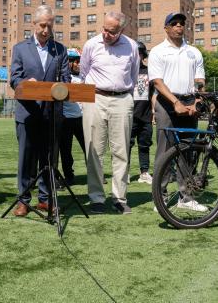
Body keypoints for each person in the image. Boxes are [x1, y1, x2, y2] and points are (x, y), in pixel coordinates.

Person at [9, 5, 70, 217]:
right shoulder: (20, 49)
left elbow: (66, 80)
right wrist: (27, 83)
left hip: (52, 114)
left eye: (50, 26)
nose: (46, 30)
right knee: (26, 159)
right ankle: (24, 200)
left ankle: (45, 200)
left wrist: (58, 88)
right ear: (34, 24)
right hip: (27, 113)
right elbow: (14, 79)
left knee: (49, 159)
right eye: (42, 25)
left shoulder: (60, 50)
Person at [80, 11, 139, 215]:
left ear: (121, 30)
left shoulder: (131, 46)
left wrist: (126, 96)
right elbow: (84, 72)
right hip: (95, 98)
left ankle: (119, 198)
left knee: (121, 151)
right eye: (104, 29)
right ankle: (96, 198)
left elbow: (133, 74)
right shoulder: (90, 45)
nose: (106, 34)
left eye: (111, 32)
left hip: (122, 99)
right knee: (94, 151)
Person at [148, 12, 206, 212]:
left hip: (189, 102)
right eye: (174, 23)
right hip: (166, 102)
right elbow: (157, 81)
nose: (179, 26)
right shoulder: (157, 51)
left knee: (188, 150)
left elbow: (200, 80)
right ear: (166, 28)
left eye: (182, 23)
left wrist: (198, 100)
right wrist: (175, 102)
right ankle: (160, 197)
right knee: (164, 151)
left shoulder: (194, 52)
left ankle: (186, 197)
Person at [60, 48, 86, 186]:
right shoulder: (63, 78)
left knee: (89, 148)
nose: (78, 64)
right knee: (66, 151)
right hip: (66, 119)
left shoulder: (84, 76)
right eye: (75, 61)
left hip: (82, 118)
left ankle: (95, 174)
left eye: (79, 61)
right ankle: (68, 176)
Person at [130, 42, 154, 184]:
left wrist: (153, 112)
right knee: (127, 145)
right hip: (130, 115)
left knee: (144, 145)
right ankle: (124, 173)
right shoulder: (126, 71)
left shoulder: (149, 72)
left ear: (143, 55)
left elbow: (153, 94)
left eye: (139, 53)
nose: (136, 56)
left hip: (145, 116)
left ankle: (144, 172)